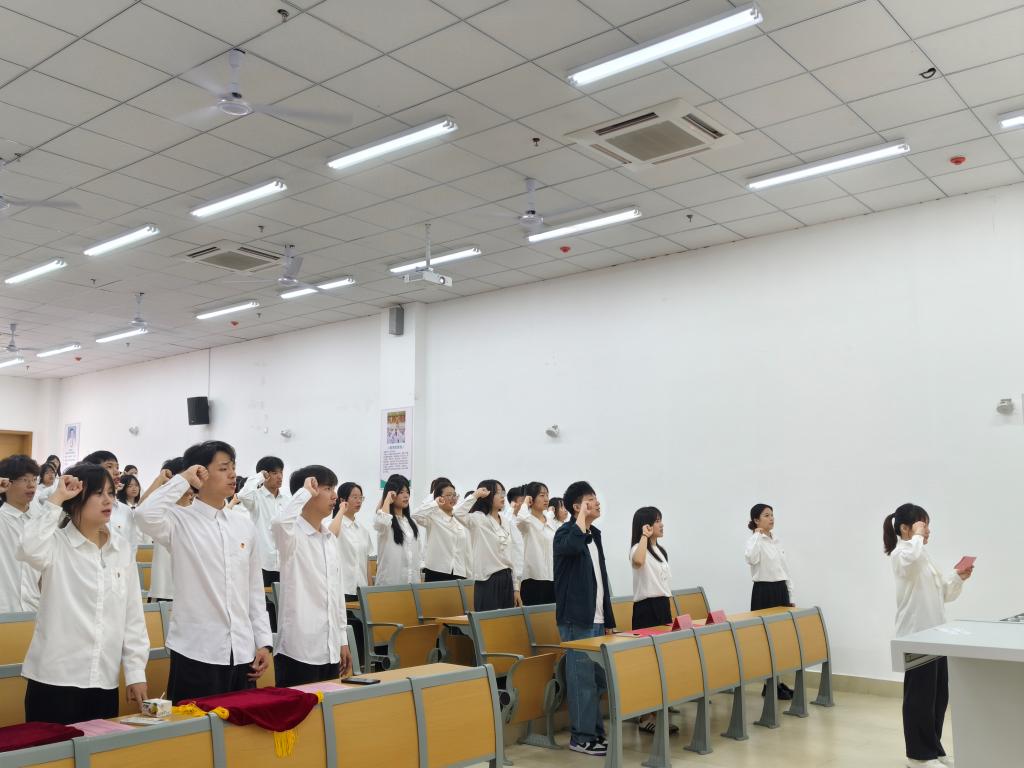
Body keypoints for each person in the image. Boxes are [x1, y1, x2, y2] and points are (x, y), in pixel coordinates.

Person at [135, 440, 272, 702]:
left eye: (233, 467)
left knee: (242, 724)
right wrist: (184, 479)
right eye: (223, 468)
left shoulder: (243, 526)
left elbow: (254, 590)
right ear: (201, 473)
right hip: (196, 650)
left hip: (242, 651)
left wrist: (263, 641)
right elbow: (143, 515)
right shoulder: (179, 520)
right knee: (194, 725)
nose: (232, 474)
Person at [18, 465, 149, 724]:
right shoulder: (56, 544)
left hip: (104, 679)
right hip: (55, 679)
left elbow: (132, 615)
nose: (108, 500)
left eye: (111, 493)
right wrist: (57, 498)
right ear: (76, 499)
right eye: (98, 493)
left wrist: (135, 672)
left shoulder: (121, 548)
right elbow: (28, 548)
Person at [884, 503, 973, 768]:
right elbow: (909, 558)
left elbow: (943, 593)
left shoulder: (922, 555)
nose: (927, 531)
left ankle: (933, 748)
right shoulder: (901, 554)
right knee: (919, 698)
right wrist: (917, 537)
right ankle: (918, 755)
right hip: (916, 636)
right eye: (923, 525)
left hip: (936, 636)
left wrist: (958, 577)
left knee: (937, 696)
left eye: (927, 526)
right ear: (905, 528)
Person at [272, 465, 352, 686]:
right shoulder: (292, 536)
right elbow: (279, 522)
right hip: (299, 650)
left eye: (334, 488)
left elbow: (337, 595)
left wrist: (342, 640)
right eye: (327, 488)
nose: (334, 496)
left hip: (330, 648)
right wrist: (304, 492)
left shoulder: (330, 540)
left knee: (328, 708)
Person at [553, 480, 615, 757]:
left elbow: (602, 580)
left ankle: (594, 732)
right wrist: (579, 519)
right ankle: (581, 737)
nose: (597, 503)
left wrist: (609, 619)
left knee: (596, 679)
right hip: (576, 618)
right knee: (581, 679)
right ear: (577, 507)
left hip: (597, 618)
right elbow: (570, 547)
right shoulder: (565, 533)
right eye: (591, 499)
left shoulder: (594, 535)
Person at [630, 506, 675, 733]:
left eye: (660, 520)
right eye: (657, 521)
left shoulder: (661, 551)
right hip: (646, 610)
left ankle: (658, 709)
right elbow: (638, 562)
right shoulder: (637, 548)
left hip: (662, 606)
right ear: (646, 525)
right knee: (647, 664)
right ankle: (643, 716)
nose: (661, 524)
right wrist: (644, 537)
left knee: (662, 663)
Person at [745, 503, 795, 700]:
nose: (771, 518)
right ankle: (769, 684)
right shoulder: (754, 540)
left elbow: (785, 569)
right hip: (764, 592)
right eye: (766, 515)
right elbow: (751, 558)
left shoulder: (776, 540)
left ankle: (777, 682)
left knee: (779, 640)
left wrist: (790, 595)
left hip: (780, 590)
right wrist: (757, 535)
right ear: (756, 520)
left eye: (772, 515)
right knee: (766, 642)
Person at [455, 480, 519, 611]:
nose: (502, 496)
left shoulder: (505, 521)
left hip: (507, 579)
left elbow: (511, 557)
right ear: (487, 496)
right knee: (488, 621)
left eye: (503, 493)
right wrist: (476, 495)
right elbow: (457, 513)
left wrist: (516, 588)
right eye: (497, 493)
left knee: (506, 621)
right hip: (487, 581)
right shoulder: (478, 518)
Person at [140, 458, 196, 603]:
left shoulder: (198, 510)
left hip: (193, 592)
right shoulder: (162, 510)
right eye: (186, 475)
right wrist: (159, 480)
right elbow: (141, 510)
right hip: (164, 589)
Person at [0, 454, 41, 612]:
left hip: (34, 608)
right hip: (4, 608)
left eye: (34, 479)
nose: (31, 485)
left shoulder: (40, 520)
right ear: (7, 482)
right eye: (25, 480)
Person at [82, 450, 139, 560]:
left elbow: (131, 548)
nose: (117, 472)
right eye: (109, 466)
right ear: (92, 471)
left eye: (117, 467)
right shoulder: (83, 509)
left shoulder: (125, 511)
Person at [412, 480, 472, 582]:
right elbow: (415, 515)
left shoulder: (460, 518)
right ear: (440, 498)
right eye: (448, 495)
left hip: (459, 572)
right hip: (436, 571)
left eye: (454, 495)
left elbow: (466, 551)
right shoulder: (433, 516)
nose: (452, 498)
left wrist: (469, 576)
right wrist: (435, 503)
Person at [514, 482, 557, 605]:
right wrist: (525, 502)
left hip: (552, 577)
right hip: (532, 580)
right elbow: (521, 519)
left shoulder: (550, 521)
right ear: (531, 499)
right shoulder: (527, 522)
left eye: (547, 495)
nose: (546, 499)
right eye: (542, 495)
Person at [373, 477, 421, 586]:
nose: (406, 495)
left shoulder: (412, 522)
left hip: (412, 583)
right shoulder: (386, 521)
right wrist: (386, 499)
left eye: (407, 492)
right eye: (401, 492)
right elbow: (381, 521)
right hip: (390, 584)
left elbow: (418, 552)